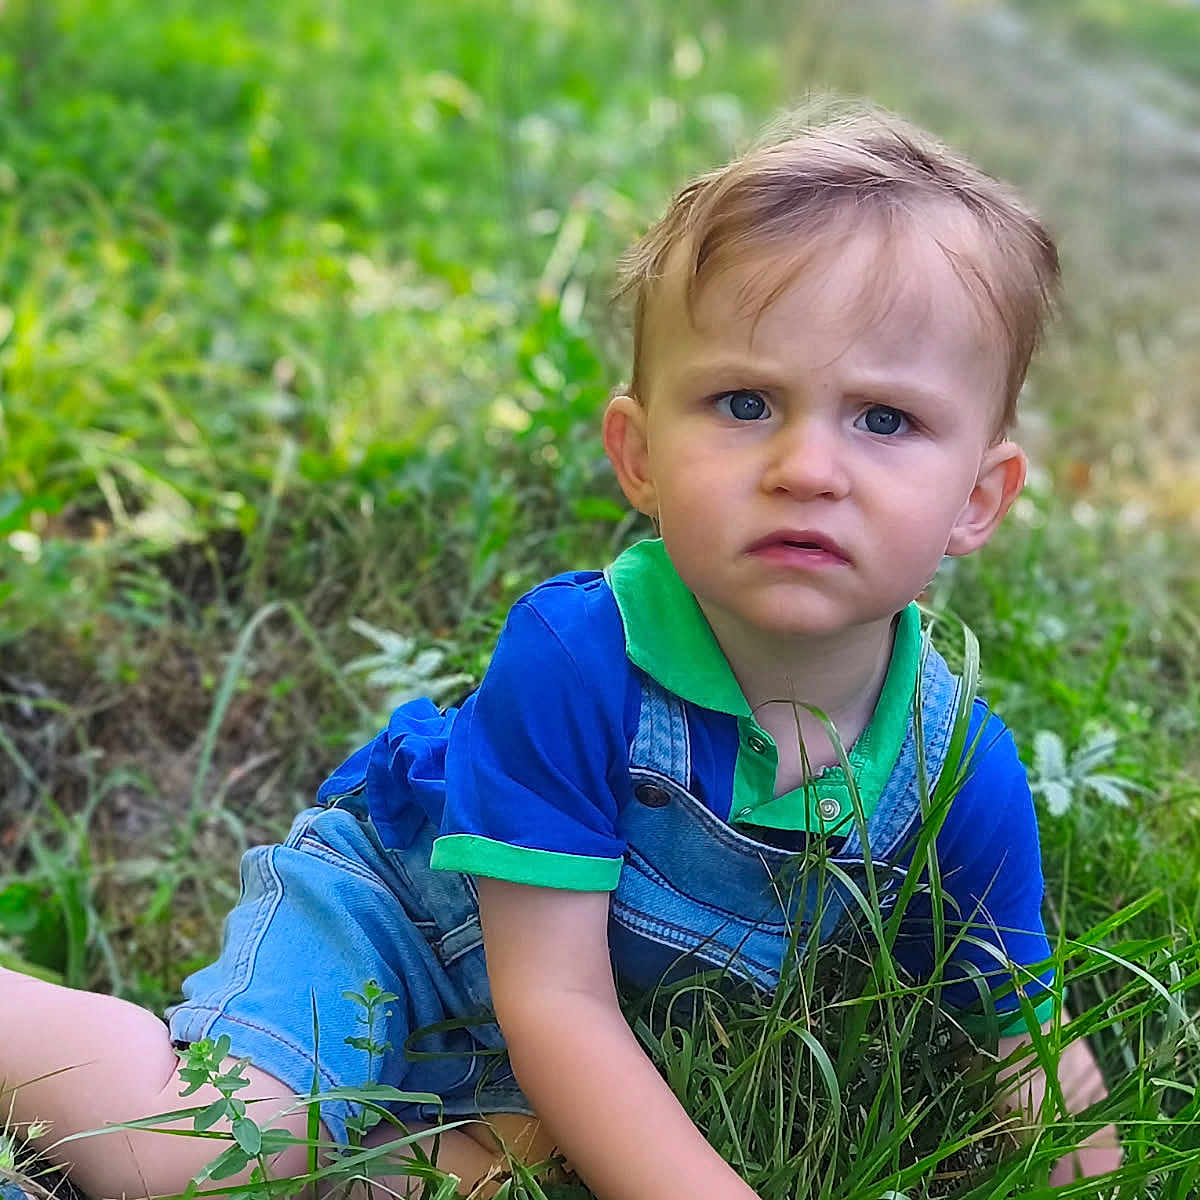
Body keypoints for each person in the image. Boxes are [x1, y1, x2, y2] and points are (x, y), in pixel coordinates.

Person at [0, 102, 1120, 1199]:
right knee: (205, 1163)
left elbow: (1024, 1043)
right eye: (743, 401)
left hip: (546, 1081)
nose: (808, 467)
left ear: (979, 497)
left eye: (883, 419)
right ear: (637, 454)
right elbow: (559, 1004)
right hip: (402, 940)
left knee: (477, 1182)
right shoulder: (580, 658)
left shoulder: (951, 767)